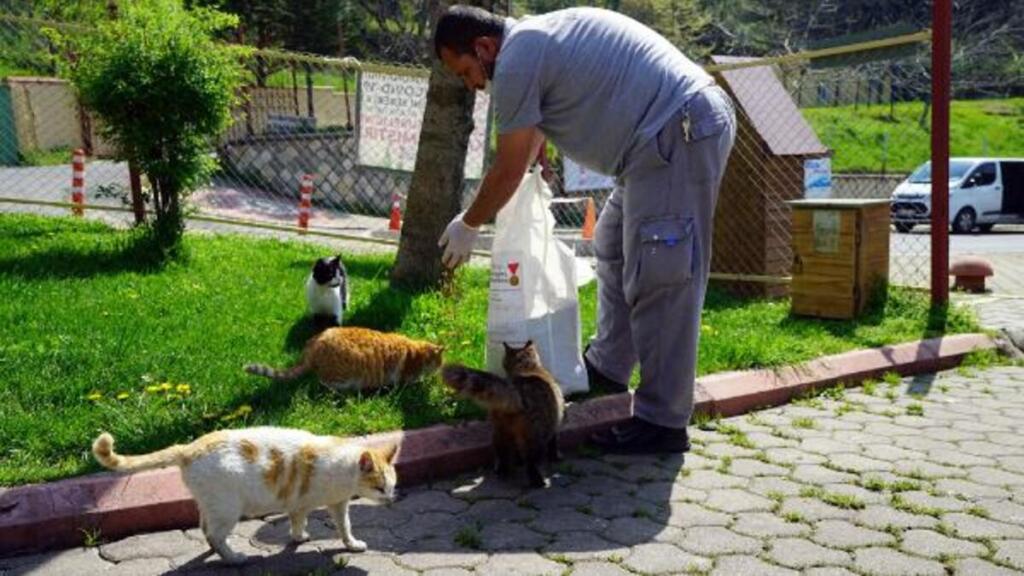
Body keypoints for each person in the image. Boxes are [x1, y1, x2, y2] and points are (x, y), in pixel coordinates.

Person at [435, 5, 736, 454]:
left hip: (678, 130)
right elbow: (532, 132)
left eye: (465, 71)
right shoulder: (531, 42)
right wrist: (536, 150)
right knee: (612, 244)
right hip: (657, 141)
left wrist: (469, 223)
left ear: (484, 48)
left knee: (663, 277)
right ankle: (610, 367)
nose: (473, 86)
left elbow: (508, 166)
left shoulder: (517, 58)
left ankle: (663, 421)